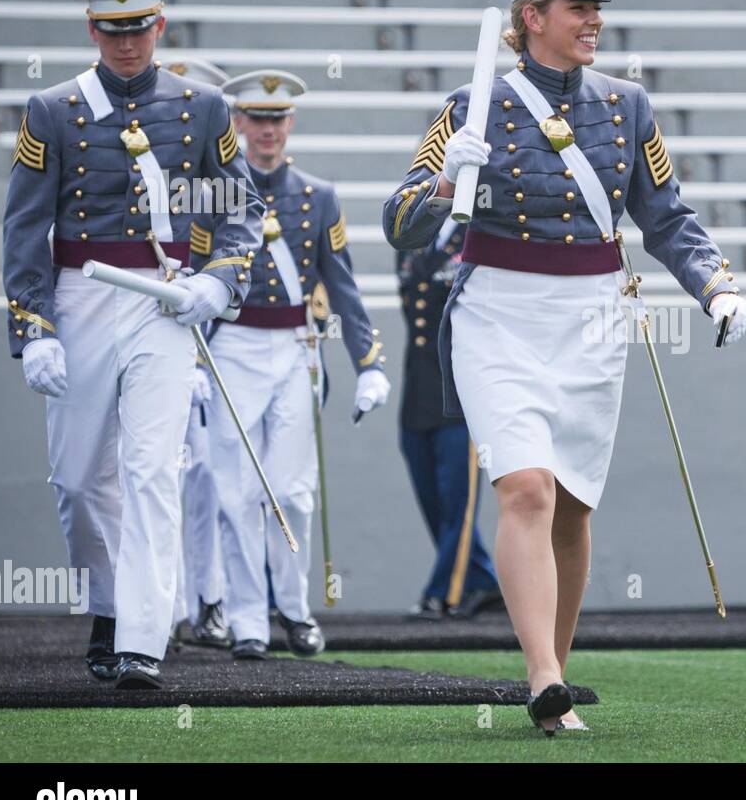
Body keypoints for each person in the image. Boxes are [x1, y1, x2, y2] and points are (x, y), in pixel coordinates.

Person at [383, 0, 746, 734]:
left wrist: (715, 284)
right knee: (525, 488)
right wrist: (447, 181)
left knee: (573, 508)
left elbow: (665, 216)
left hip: (590, 316)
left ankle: (554, 676)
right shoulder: (470, 102)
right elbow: (399, 225)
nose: (593, 21)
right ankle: (543, 678)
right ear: (532, 17)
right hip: (498, 313)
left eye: (597, 9)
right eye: (577, 8)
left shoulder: (627, 105)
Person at [3, 0, 263, 689]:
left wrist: (217, 280)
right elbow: (26, 225)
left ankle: (143, 639)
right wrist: (35, 327)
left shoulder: (203, 107)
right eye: (114, 31)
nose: (127, 44)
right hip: (80, 294)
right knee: (81, 479)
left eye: (139, 29)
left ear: (161, 27)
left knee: (153, 469)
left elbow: (240, 210)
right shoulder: (52, 110)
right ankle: (111, 603)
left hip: (165, 298)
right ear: (93, 32)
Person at [207, 69, 391, 660]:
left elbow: (342, 284)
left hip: (294, 351)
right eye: (256, 119)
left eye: (277, 119)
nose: (267, 130)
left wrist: (369, 362)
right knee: (235, 494)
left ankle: (293, 609)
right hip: (232, 347)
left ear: (291, 123)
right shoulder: (215, 192)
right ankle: (246, 624)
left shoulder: (318, 195)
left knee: (292, 492)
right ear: (237, 122)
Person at [162, 58, 234, 651]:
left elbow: (230, 272)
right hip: (134, 342)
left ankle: (207, 600)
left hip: (206, 354)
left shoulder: (216, 183)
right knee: (144, 476)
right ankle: (159, 603)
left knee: (205, 478)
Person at [396, 220, 501, 621]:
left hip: (461, 392)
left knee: (459, 502)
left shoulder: (478, 234)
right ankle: (484, 580)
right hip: (418, 389)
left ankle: (444, 593)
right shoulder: (411, 236)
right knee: (432, 500)